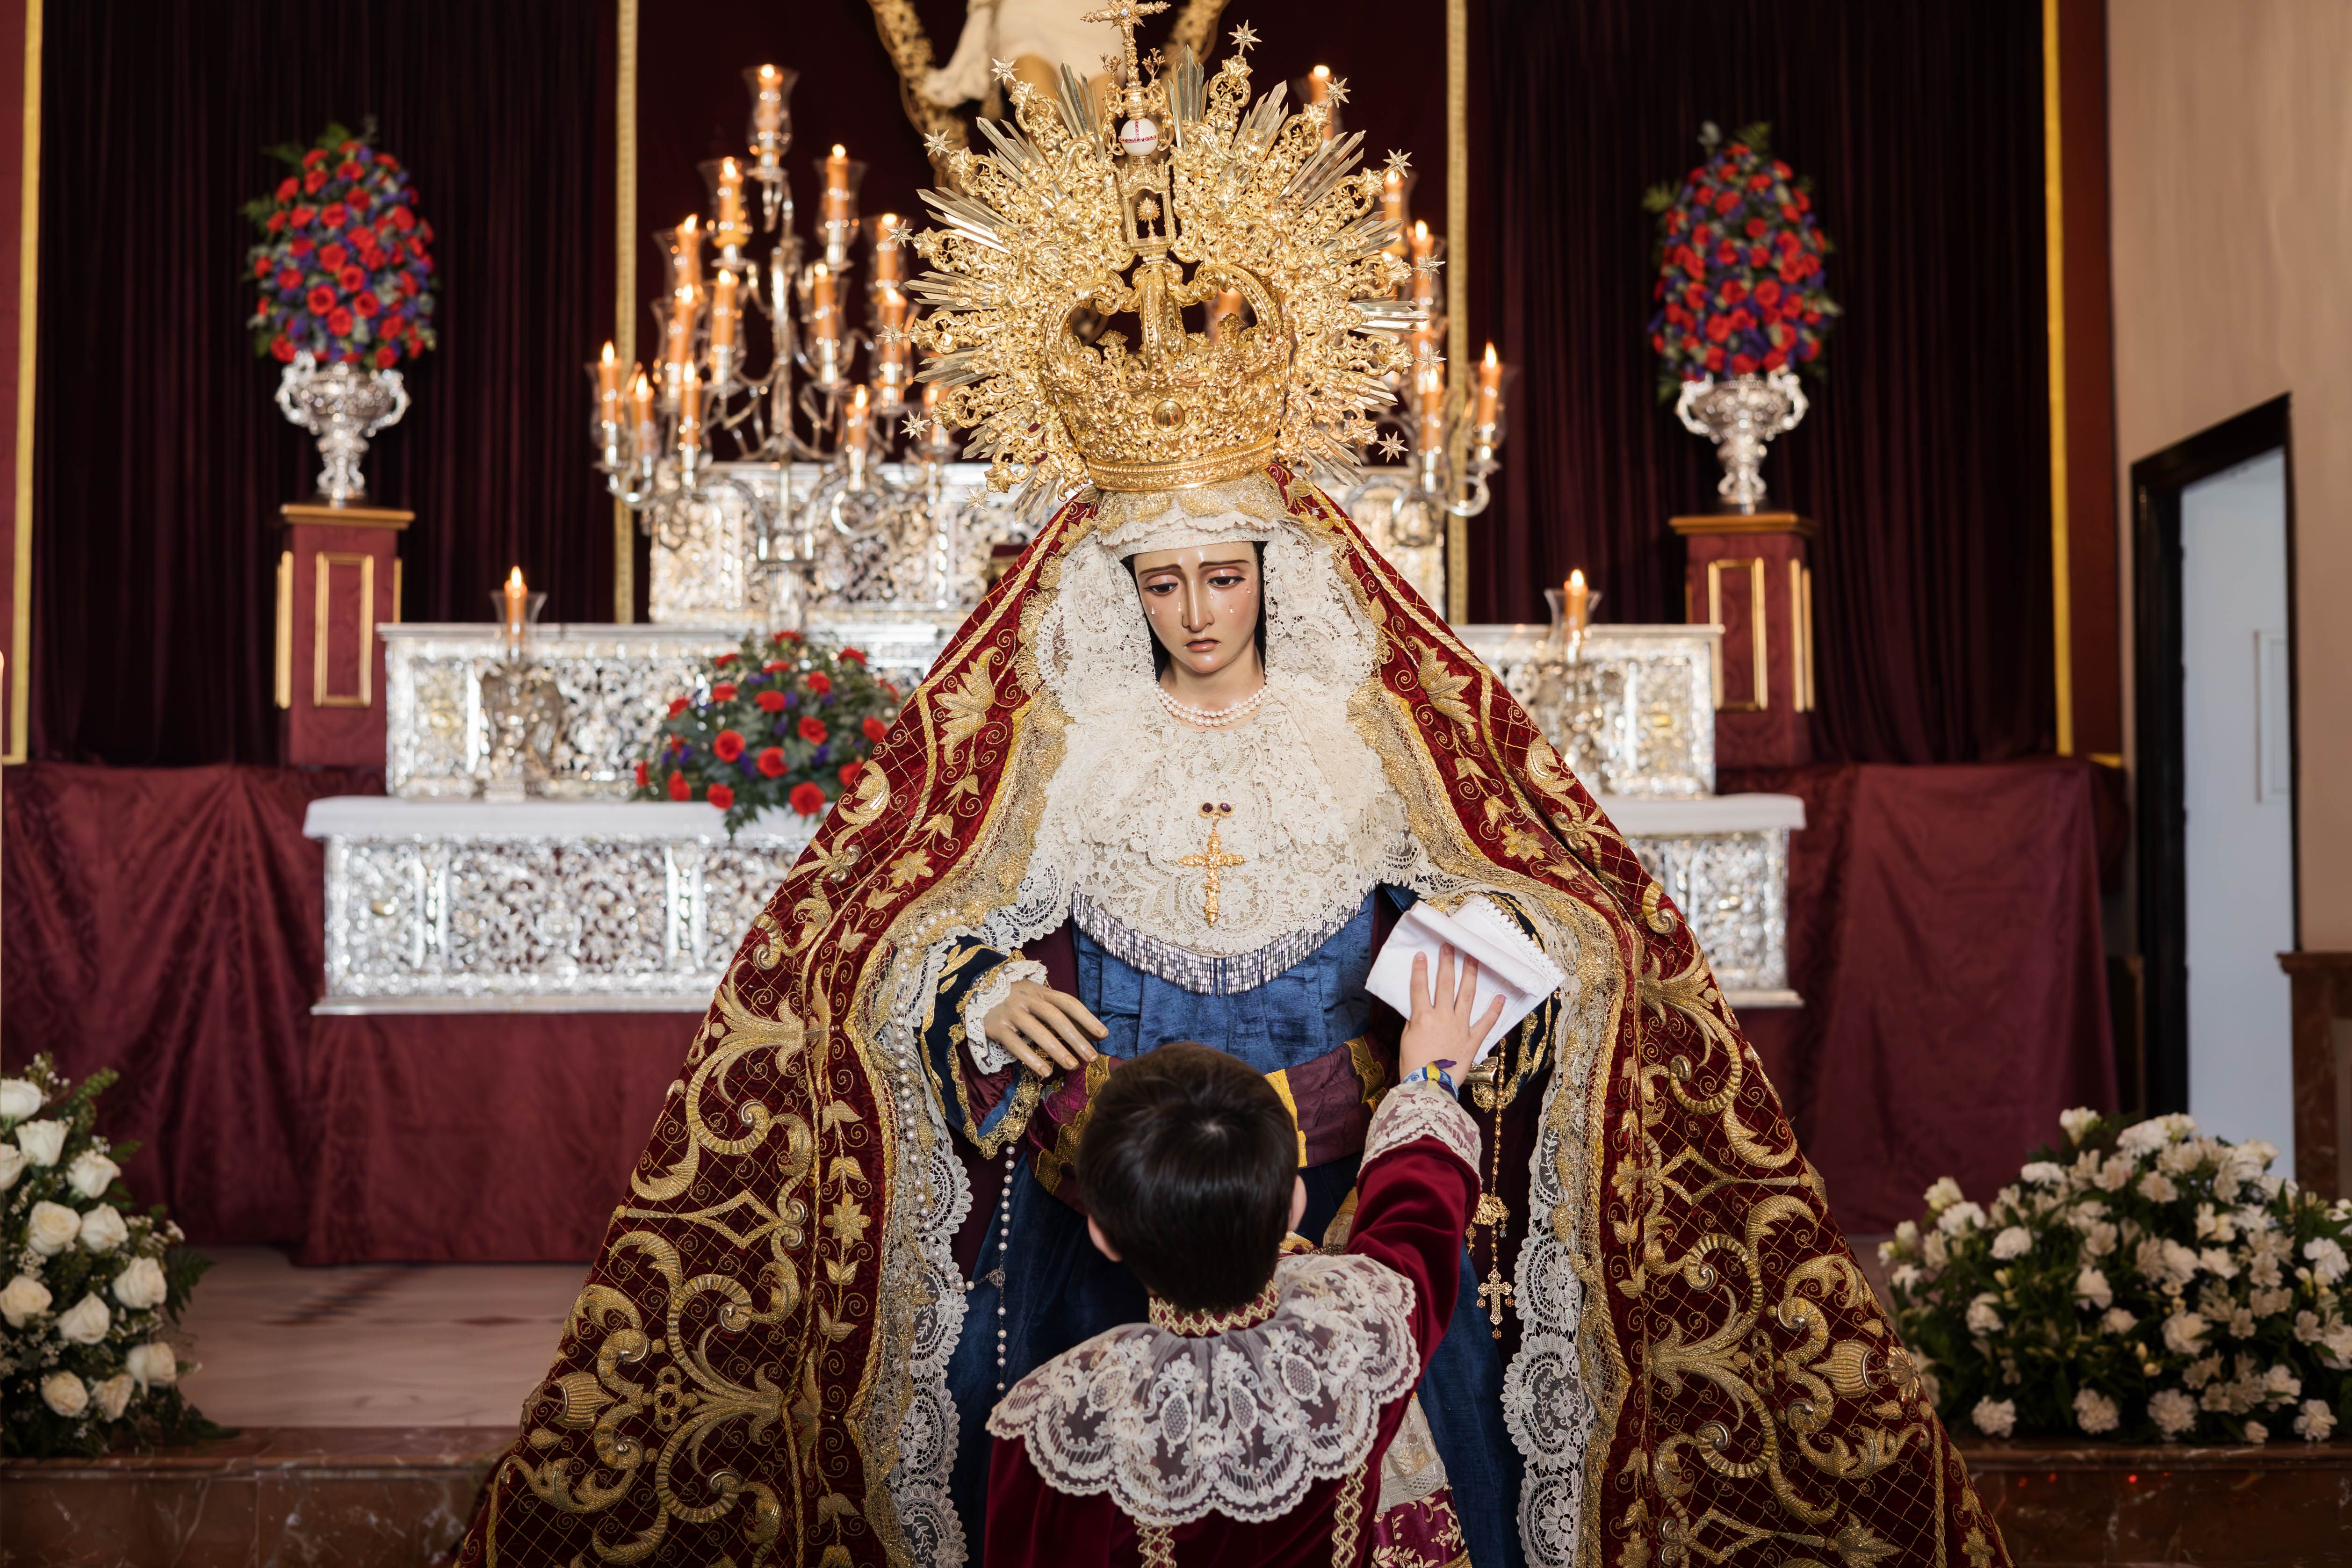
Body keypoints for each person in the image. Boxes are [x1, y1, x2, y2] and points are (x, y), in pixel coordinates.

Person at [455, 14, 2011, 1568]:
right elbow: (869, 933)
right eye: (1166, 583)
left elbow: (1544, 907)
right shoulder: (1053, 733)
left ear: (1276, 574)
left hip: (1350, 1181)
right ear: (1117, 587)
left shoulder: (1372, 724)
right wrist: (977, 986)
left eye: (1224, 575)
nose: (1198, 612)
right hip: (1105, 1202)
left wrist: (1439, 1038)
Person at [982, 947, 1500, 1568]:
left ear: (1102, 1233)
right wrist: (1431, 1075)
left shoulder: (1055, 1422)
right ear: (1295, 1203)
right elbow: (1420, 1213)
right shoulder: (1369, 1335)